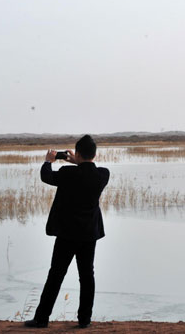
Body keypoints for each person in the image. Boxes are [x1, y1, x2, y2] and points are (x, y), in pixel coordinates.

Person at [24, 134, 110, 329]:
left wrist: (48, 161)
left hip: (67, 234)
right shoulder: (103, 174)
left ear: (77, 153)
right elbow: (88, 172)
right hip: (89, 234)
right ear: (95, 154)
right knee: (87, 276)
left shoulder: (66, 173)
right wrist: (79, 162)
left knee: (56, 275)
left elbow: (47, 176)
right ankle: (84, 320)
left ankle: (41, 318)